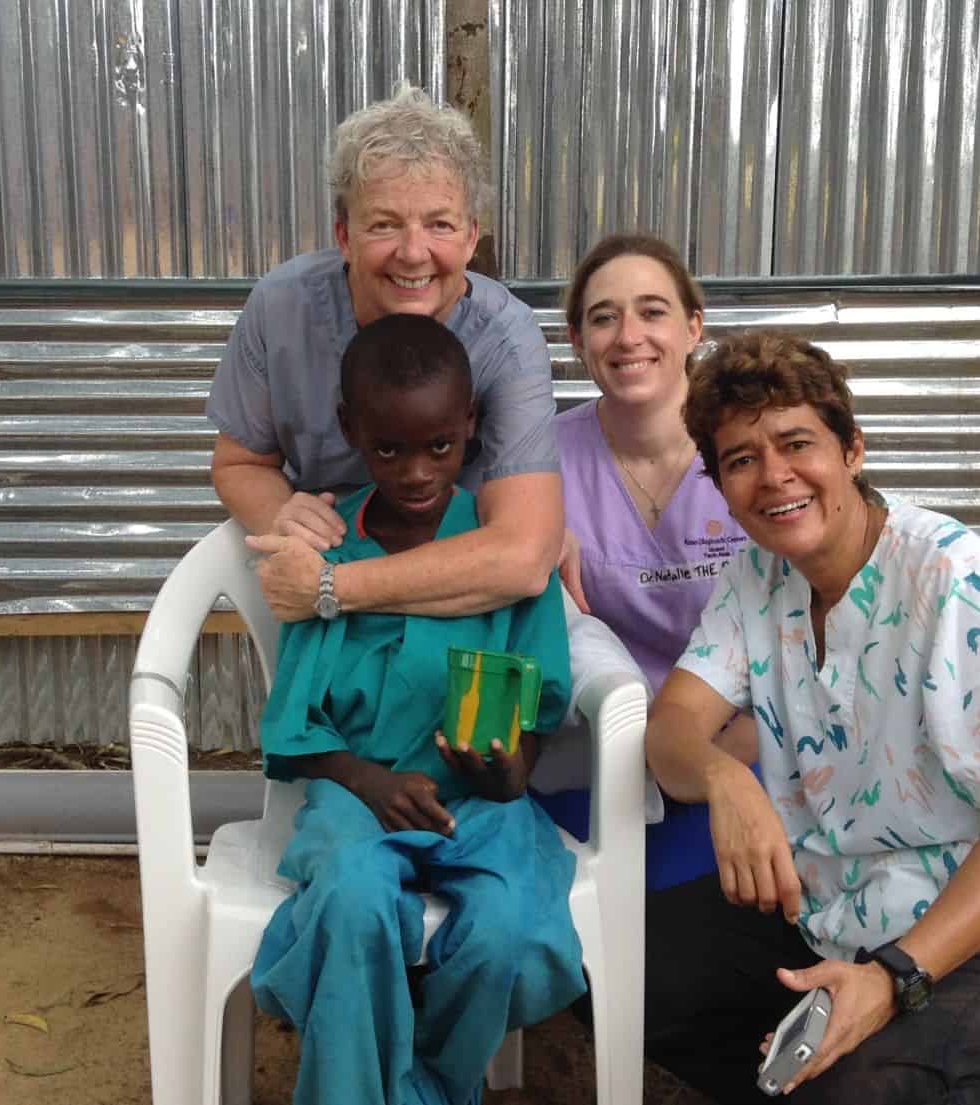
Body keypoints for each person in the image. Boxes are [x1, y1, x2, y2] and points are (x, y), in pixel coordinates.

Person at [642, 331, 980, 1103]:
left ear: (851, 449)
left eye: (797, 443)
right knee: (614, 965)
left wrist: (891, 979)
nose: (774, 476)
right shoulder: (756, 577)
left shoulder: (955, 578)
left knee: (851, 1085)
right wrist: (727, 778)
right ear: (720, 486)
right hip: (831, 902)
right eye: (741, 459)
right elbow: (671, 727)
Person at [250, 313, 584, 1105]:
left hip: (481, 802)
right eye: (388, 448)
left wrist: (508, 773)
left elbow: (535, 708)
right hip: (354, 792)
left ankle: (426, 1085)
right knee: (354, 895)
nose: (416, 472)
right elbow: (295, 726)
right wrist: (366, 780)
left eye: (439, 445)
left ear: (469, 424)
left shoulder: (501, 547)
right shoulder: (333, 547)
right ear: (349, 430)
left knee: (504, 925)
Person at [206, 83, 562, 622]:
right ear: (344, 236)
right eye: (384, 224)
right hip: (325, 576)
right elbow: (239, 462)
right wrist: (282, 513)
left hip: (456, 594)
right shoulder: (282, 308)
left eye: (439, 224)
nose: (413, 253)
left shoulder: (506, 339)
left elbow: (522, 556)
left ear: (471, 238)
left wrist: (329, 587)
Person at [536, 234, 754, 892]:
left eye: (652, 311)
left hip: (742, 750)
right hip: (595, 760)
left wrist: (713, 765)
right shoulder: (539, 462)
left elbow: (804, 633)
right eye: (604, 316)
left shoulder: (752, 449)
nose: (629, 335)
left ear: (693, 326)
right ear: (577, 339)